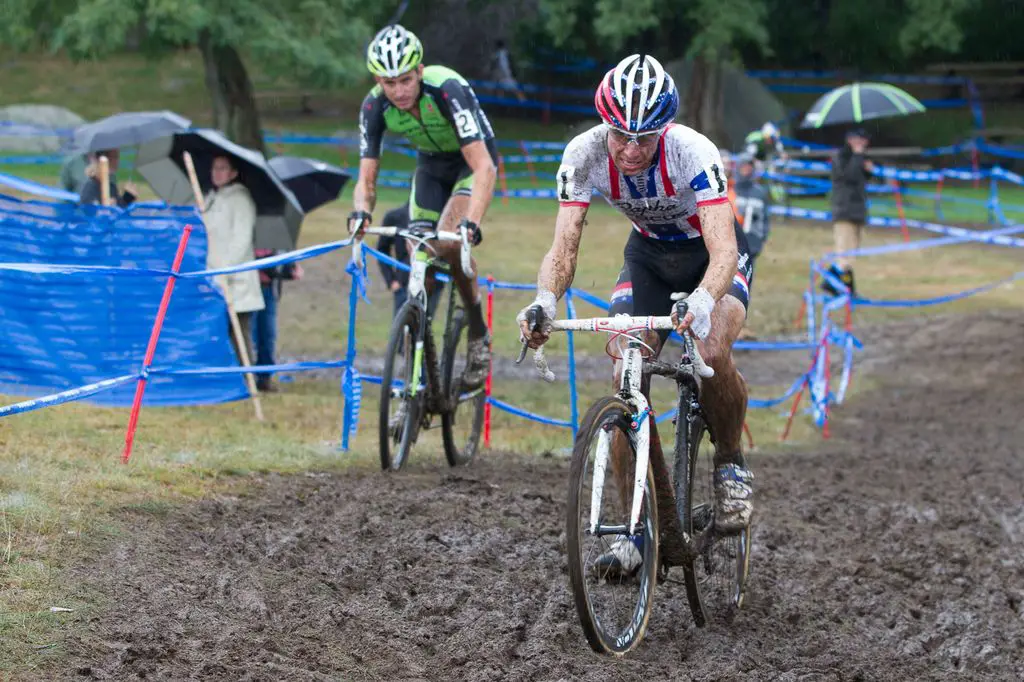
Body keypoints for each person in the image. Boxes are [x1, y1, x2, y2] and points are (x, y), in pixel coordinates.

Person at [517, 54, 755, 575]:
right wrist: (544, 300)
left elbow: (724, 251)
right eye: (620, 135)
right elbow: (563, 249)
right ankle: (634, 530)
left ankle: (731, 462)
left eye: (644, 138)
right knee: (627, 371)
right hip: (647, 260)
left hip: (710, 259)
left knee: (711, 350)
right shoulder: (582, 155)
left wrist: (704, 299)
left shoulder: (692, 151)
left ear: (664, 129)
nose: (630, 148)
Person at [348, 24, 498, 391]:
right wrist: (361, 213)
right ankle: (417, 367)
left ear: (419, 71)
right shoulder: (374, 106)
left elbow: (484, 168)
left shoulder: (446, 90)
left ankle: (478, 334)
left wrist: (471, 224)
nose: (398, 91)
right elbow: (367, 178)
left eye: (404, 80)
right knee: (419, 251)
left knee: (448, 242)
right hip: (430, 167)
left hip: (470, 163)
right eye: (388, 83)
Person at [204, 155, 264, 369]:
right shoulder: (211, 199)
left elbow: (241, 239)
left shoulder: (240, 200)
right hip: (212, 276)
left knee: (239, 331)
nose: (217, 173)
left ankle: (247, 376)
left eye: (222, 168)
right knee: (217, 330)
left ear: (233, 173)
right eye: (214, 168)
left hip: (236, 278)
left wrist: (225, 270)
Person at [825, 128, 874, 296]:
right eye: (859, 140)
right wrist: (858, 156)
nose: (863, 144)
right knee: (844, 253)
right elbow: (849, 176)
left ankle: (838, 285)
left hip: (858, 210)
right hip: (844, 210)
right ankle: (838, 286)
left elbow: (860, 180)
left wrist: (868, 170)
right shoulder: (841, 157)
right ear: (850, 140)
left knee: (851, 253)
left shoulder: (859, 158)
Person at [377, 202, 444, 320]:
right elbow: (382, 249)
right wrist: (391, 281)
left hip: (433, 285)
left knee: (425, 329)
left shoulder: (442, 219)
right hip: (403, 285)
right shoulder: (394, 216)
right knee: (401, 332)